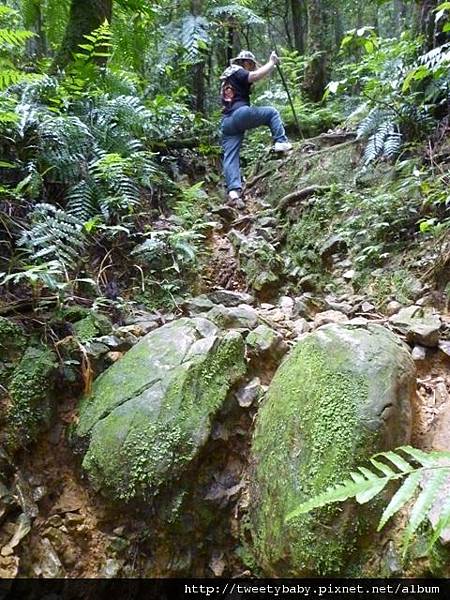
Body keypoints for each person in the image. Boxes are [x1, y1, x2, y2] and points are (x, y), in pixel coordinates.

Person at [220, 50, 293, 207]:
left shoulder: (228, 76)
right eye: (251, 65)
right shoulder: (238, 70)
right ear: (245, 62)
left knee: (231, 155)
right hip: (240, 113)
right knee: (271, 113)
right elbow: (254, 76)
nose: (252, 68)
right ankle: (280, 142)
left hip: (227, 121)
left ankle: (233, 190)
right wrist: (271, 62)